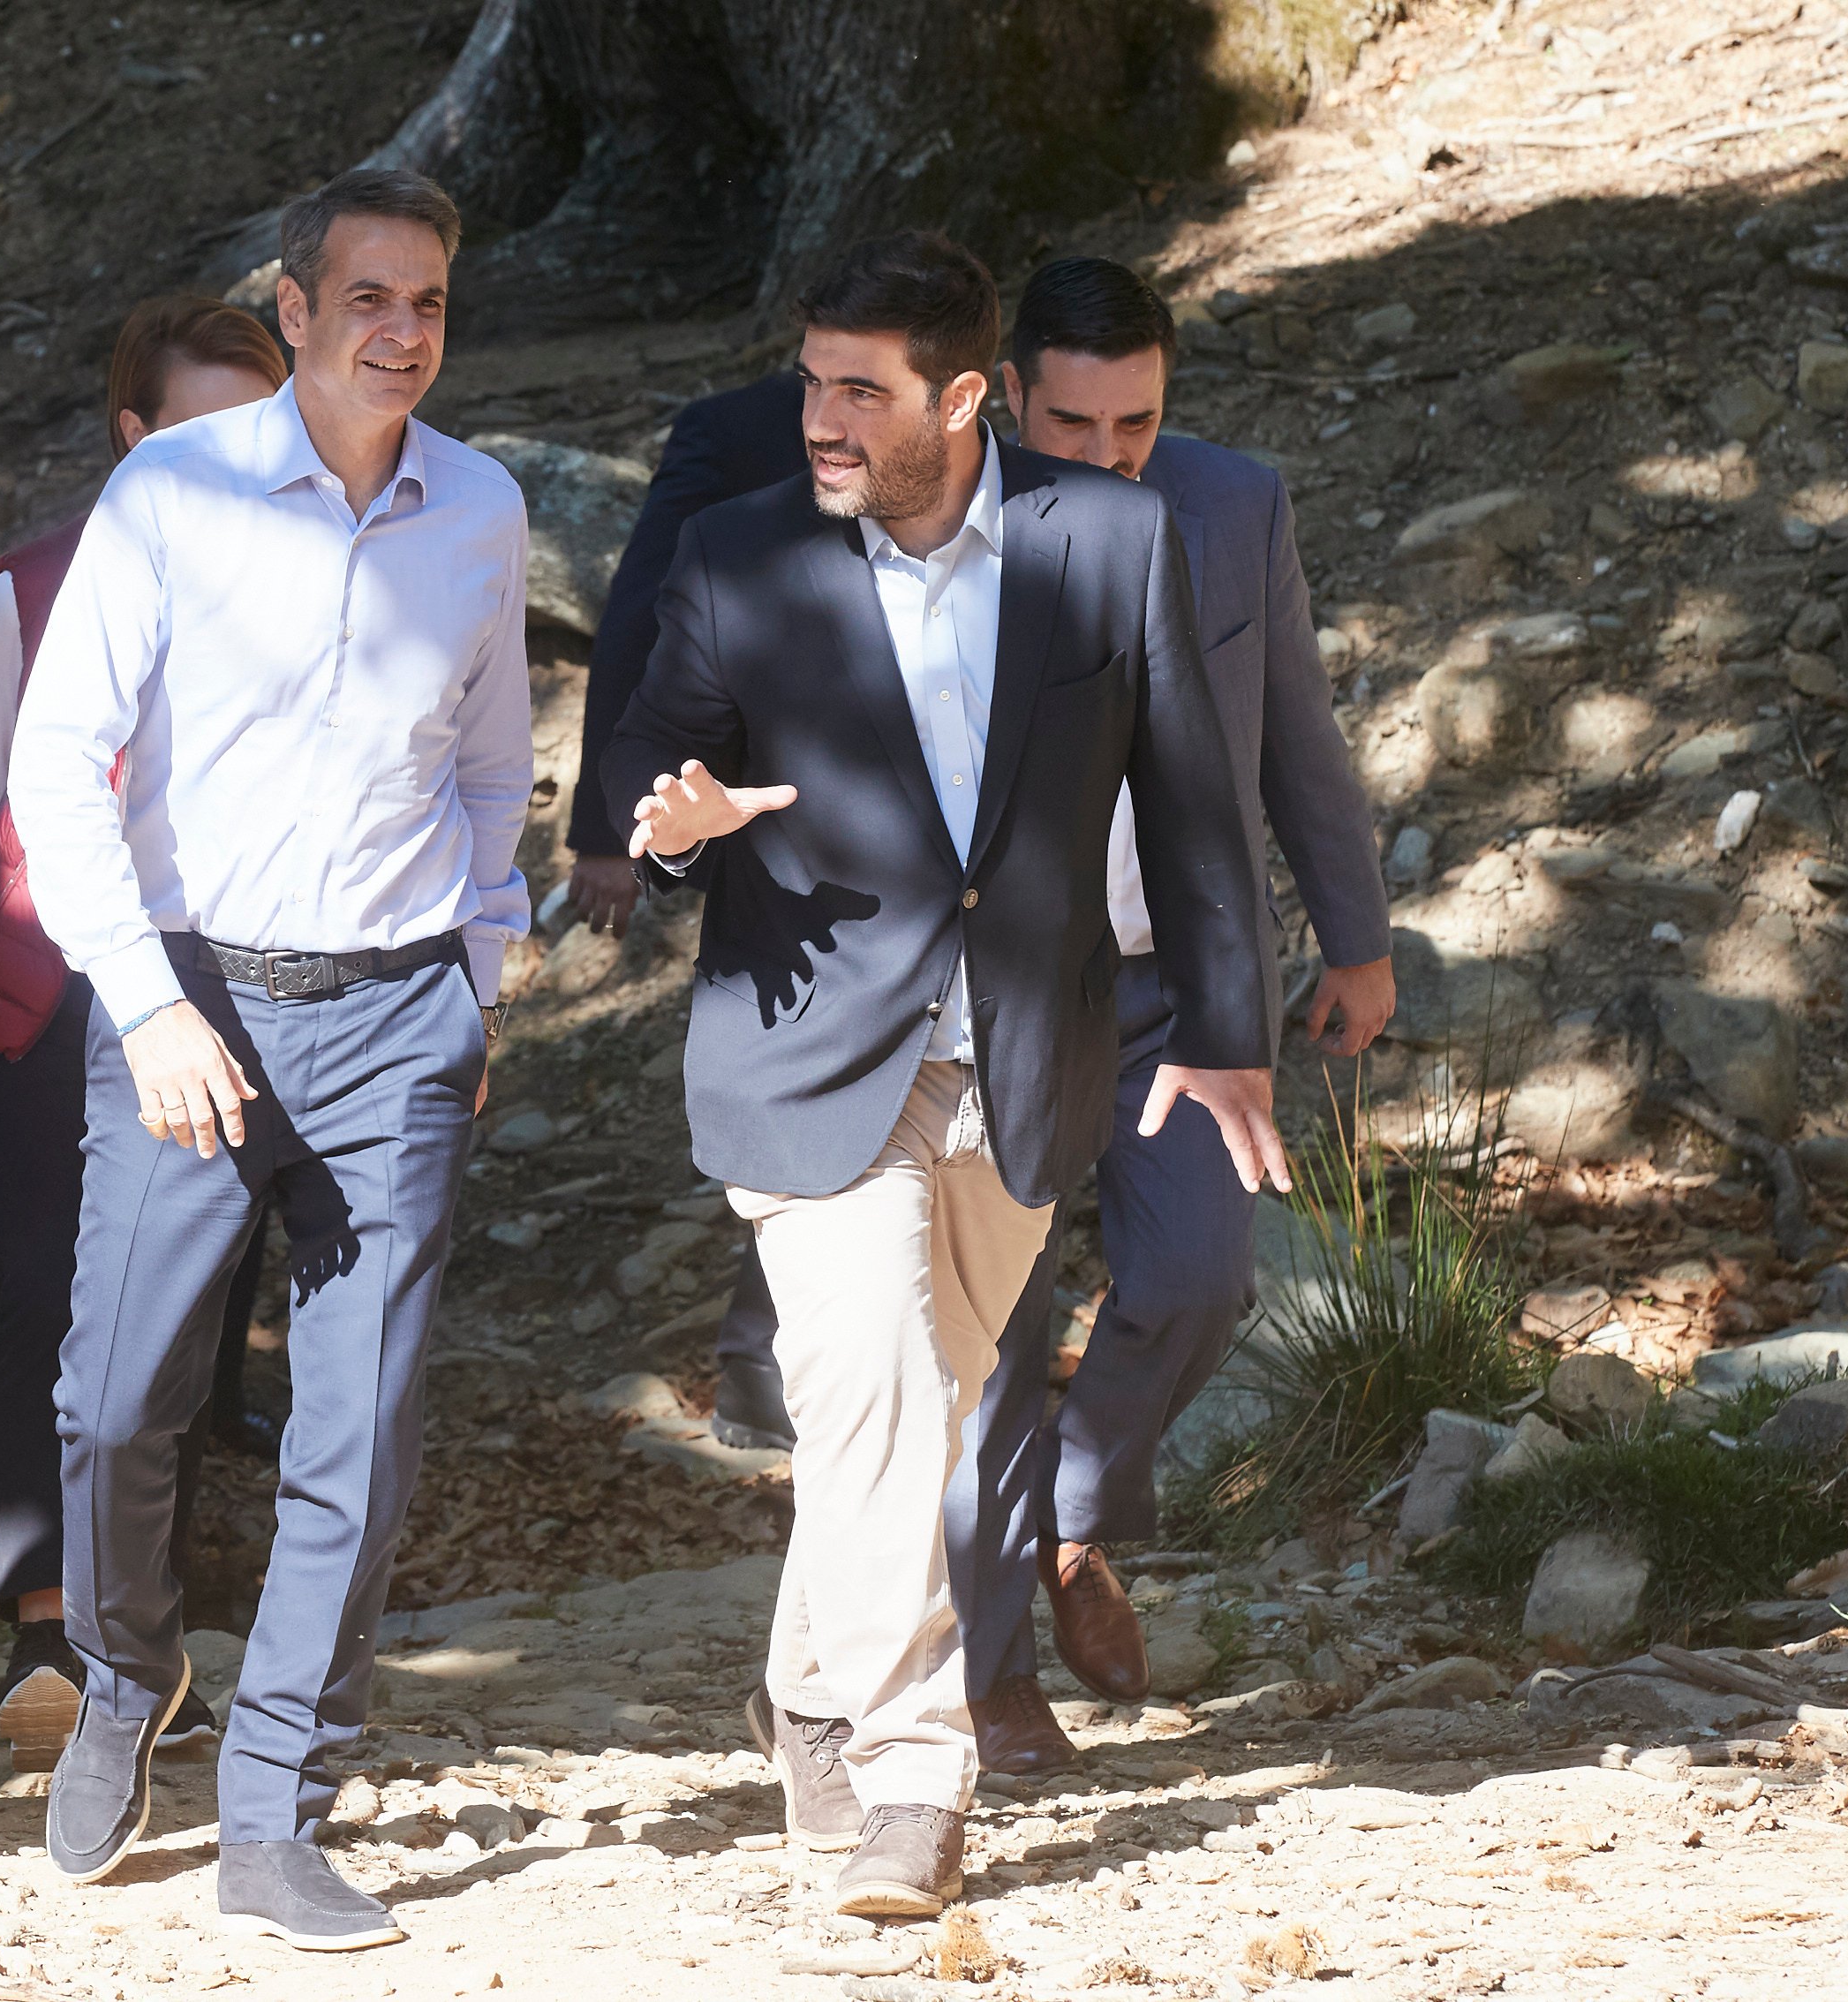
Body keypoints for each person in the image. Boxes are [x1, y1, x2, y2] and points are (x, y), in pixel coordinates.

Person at [607, 231, 1285, 1919]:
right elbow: (649, 762)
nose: (820, 418)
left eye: (861, 390)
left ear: (964, 396)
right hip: (809, 1047)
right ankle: (914, 1769)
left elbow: (1192, 801)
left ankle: (804, 1687)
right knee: (886, 1389)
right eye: (812, 381)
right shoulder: (739, 550)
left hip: (1025, 1059)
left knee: (912, 1402)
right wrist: (679, 821)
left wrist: (1227, 1033)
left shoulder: (1109, 539)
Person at [11, 168, 530, 1948]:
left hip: (396, 1016)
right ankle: (122, 1670)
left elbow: (491, 769)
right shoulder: (171, 491)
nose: (402, 331)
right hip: (192, 1000)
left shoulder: (482, 509)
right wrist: (147, 1004)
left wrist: (478, 984)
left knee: (357, 1427)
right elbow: (56, 761)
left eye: (429, 301)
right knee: (112, 1400)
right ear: (294, 310)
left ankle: (276, 1807)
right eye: (368, 297)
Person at [947, 257, 1394, 1775]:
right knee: (994, 1330)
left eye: (1135, 423)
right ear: (1007, 397)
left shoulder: (1233, 504)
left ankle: (1073, 1514)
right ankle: (991, 1680)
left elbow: (1296, 735)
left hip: (1179, 992)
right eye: (1071, 424)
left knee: (1204, 1273)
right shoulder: (942, 517)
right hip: (998, 993)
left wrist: (1355, 935)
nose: (1107, 455)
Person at [0, 296, 291, 1775]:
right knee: (49, 1287)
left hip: (232, 978)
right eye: (198, 426)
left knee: (185, 1302)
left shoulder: (312, 578)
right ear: (131, 435)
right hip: (56, 981)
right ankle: (43, 1625)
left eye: (257, 423)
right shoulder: (24, 590)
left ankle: (146, 1638)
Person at [562, 370, 805, 1448]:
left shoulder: (989, 440)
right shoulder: (735, 432)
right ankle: (760, 1367)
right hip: (769, 834)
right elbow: (638, 617)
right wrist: (603, 828)